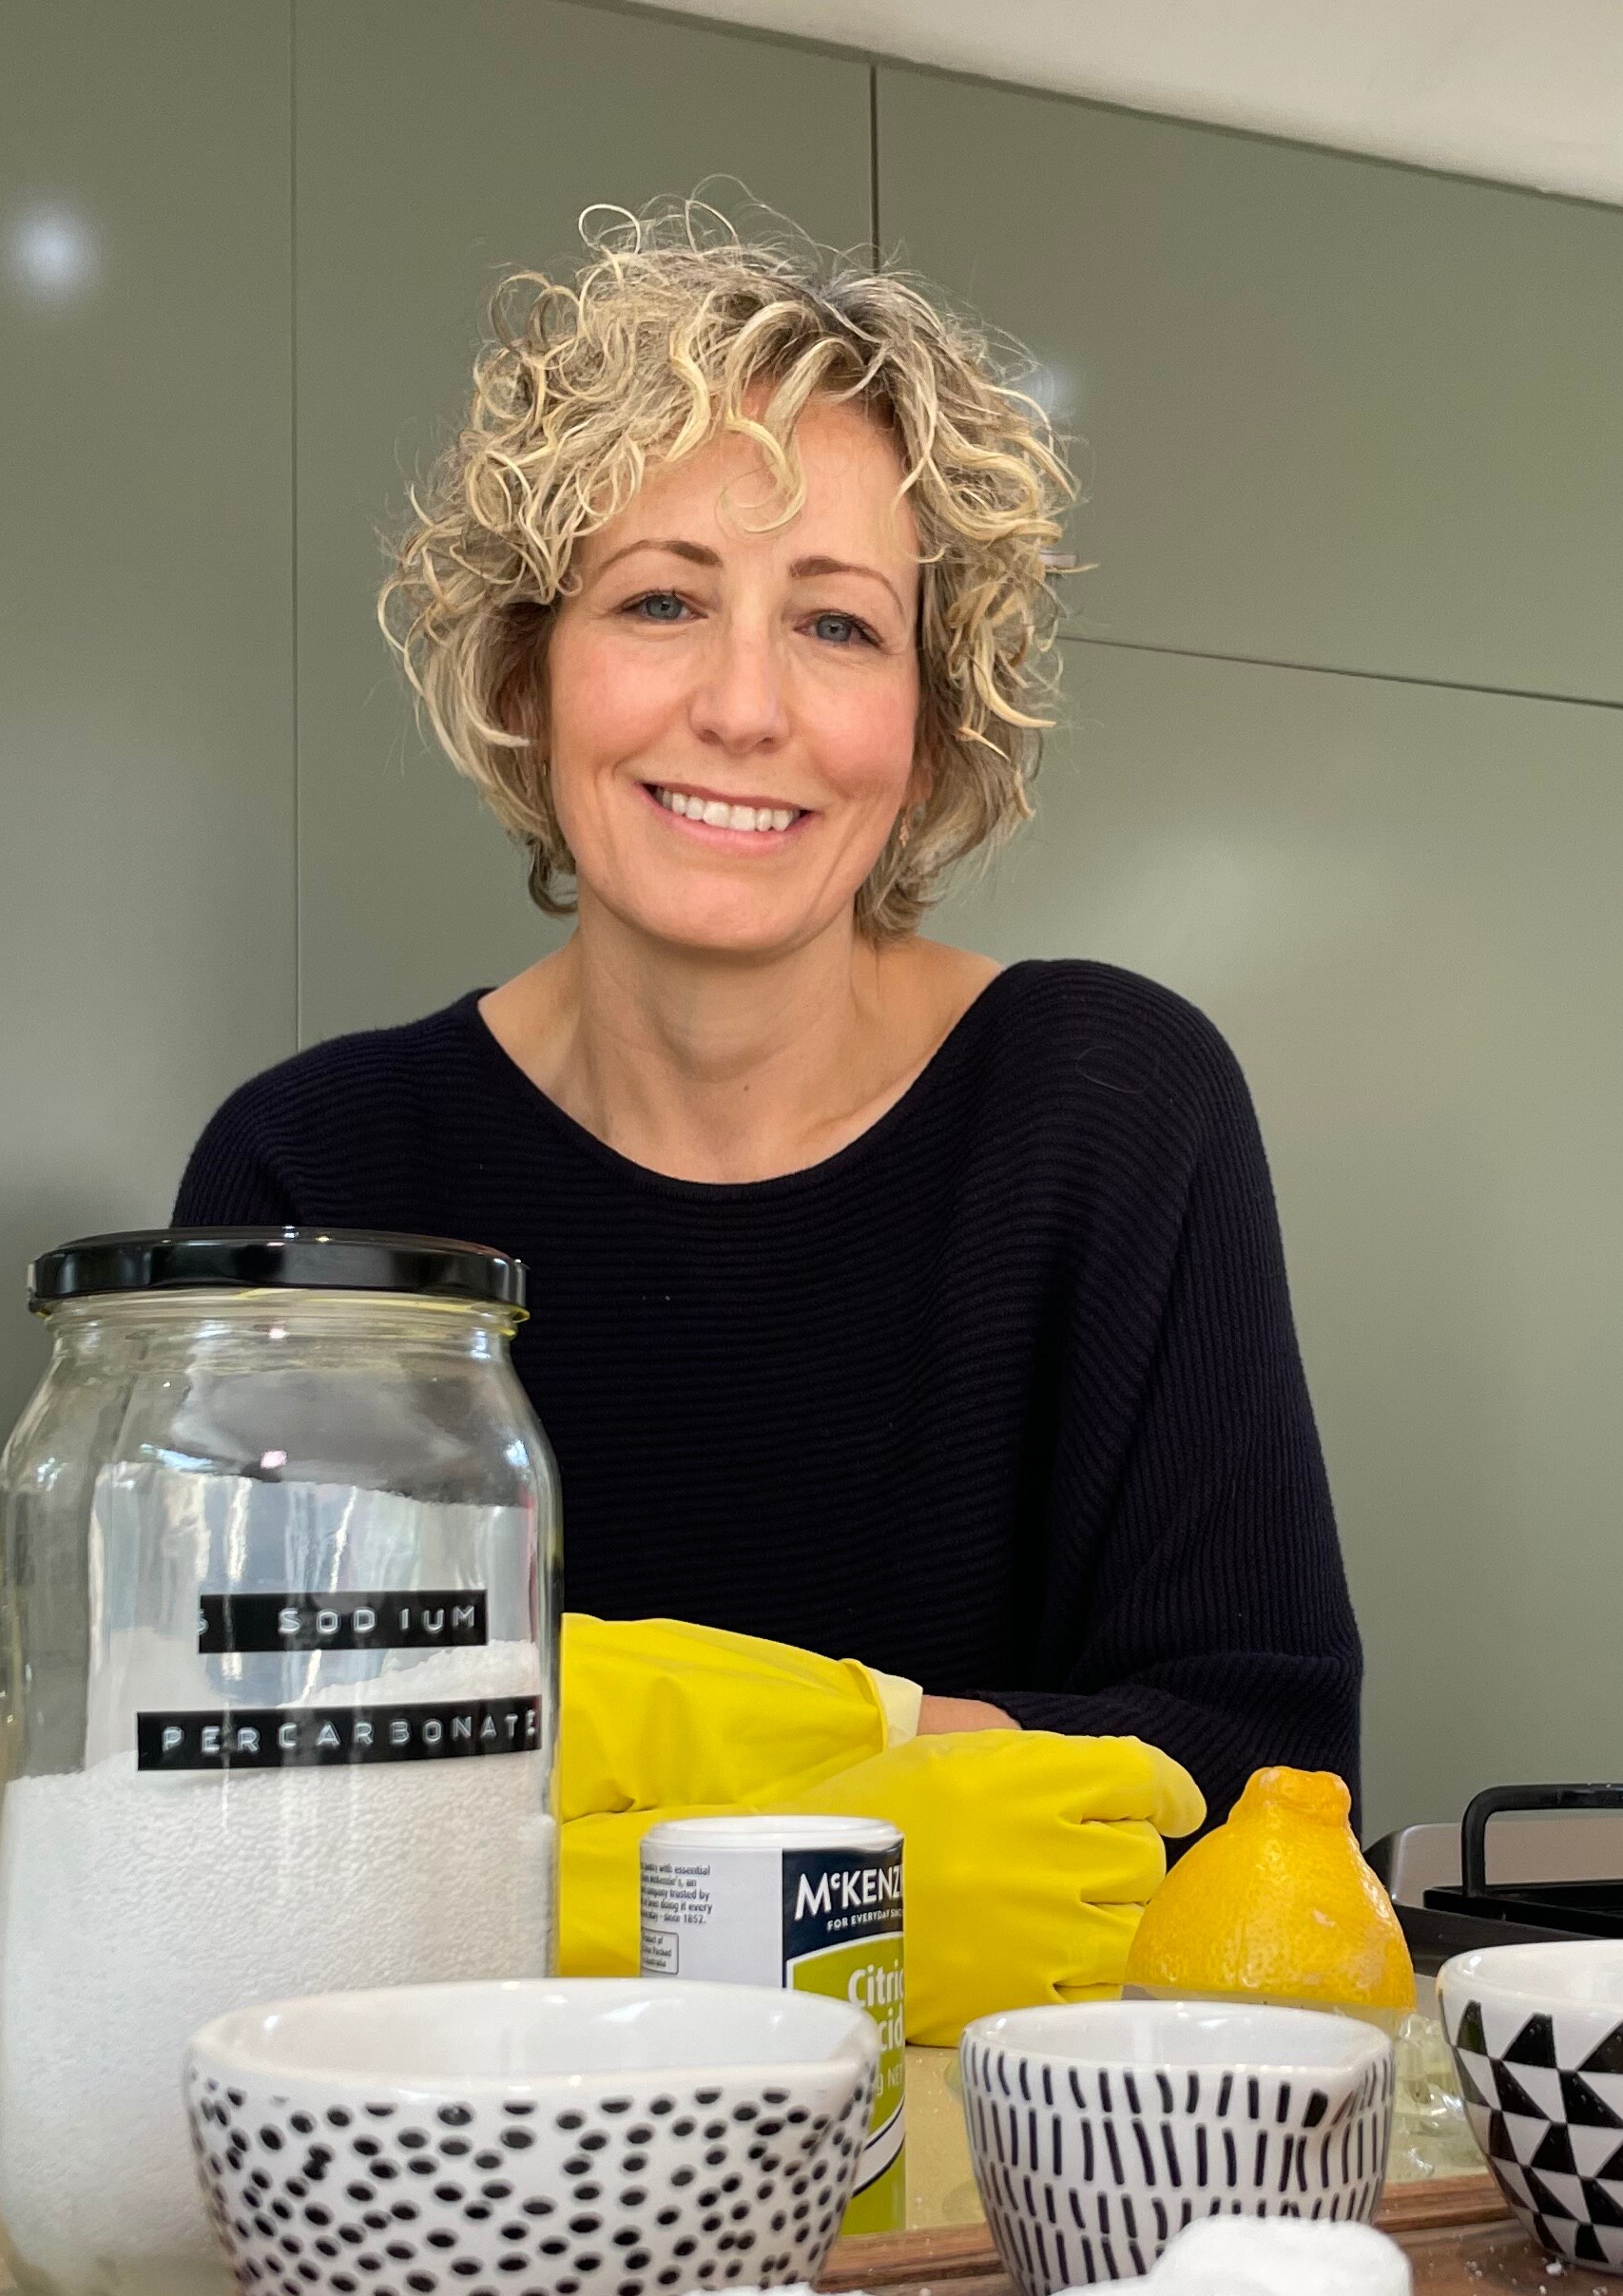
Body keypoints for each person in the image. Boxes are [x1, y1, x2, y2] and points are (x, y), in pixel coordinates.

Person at [175, 212, 1359, 1824]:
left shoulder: (1114, 1111)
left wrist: (669, 1749)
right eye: (661, 601)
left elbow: (1258, 1763)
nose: (742, 706)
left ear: (933, 736)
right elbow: (251, 1780)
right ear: (529, 680)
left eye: (838, 623)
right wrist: (913, 1762)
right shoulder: (312, 1176)